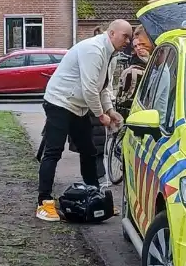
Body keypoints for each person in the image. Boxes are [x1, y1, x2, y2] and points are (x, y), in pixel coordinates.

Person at [36, 19, 133, 221]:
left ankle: (95, 197)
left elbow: (103, 87)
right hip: (59, 102)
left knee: (88, 151)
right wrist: (100, 115)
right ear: (112, 33)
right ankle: (44, 203)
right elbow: (89, 88)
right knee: (53, 152)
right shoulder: (93, 49)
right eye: (125, 36)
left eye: (130, 37)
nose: (128, 41)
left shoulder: (111, 54)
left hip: (77, 106)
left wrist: (110, 110)